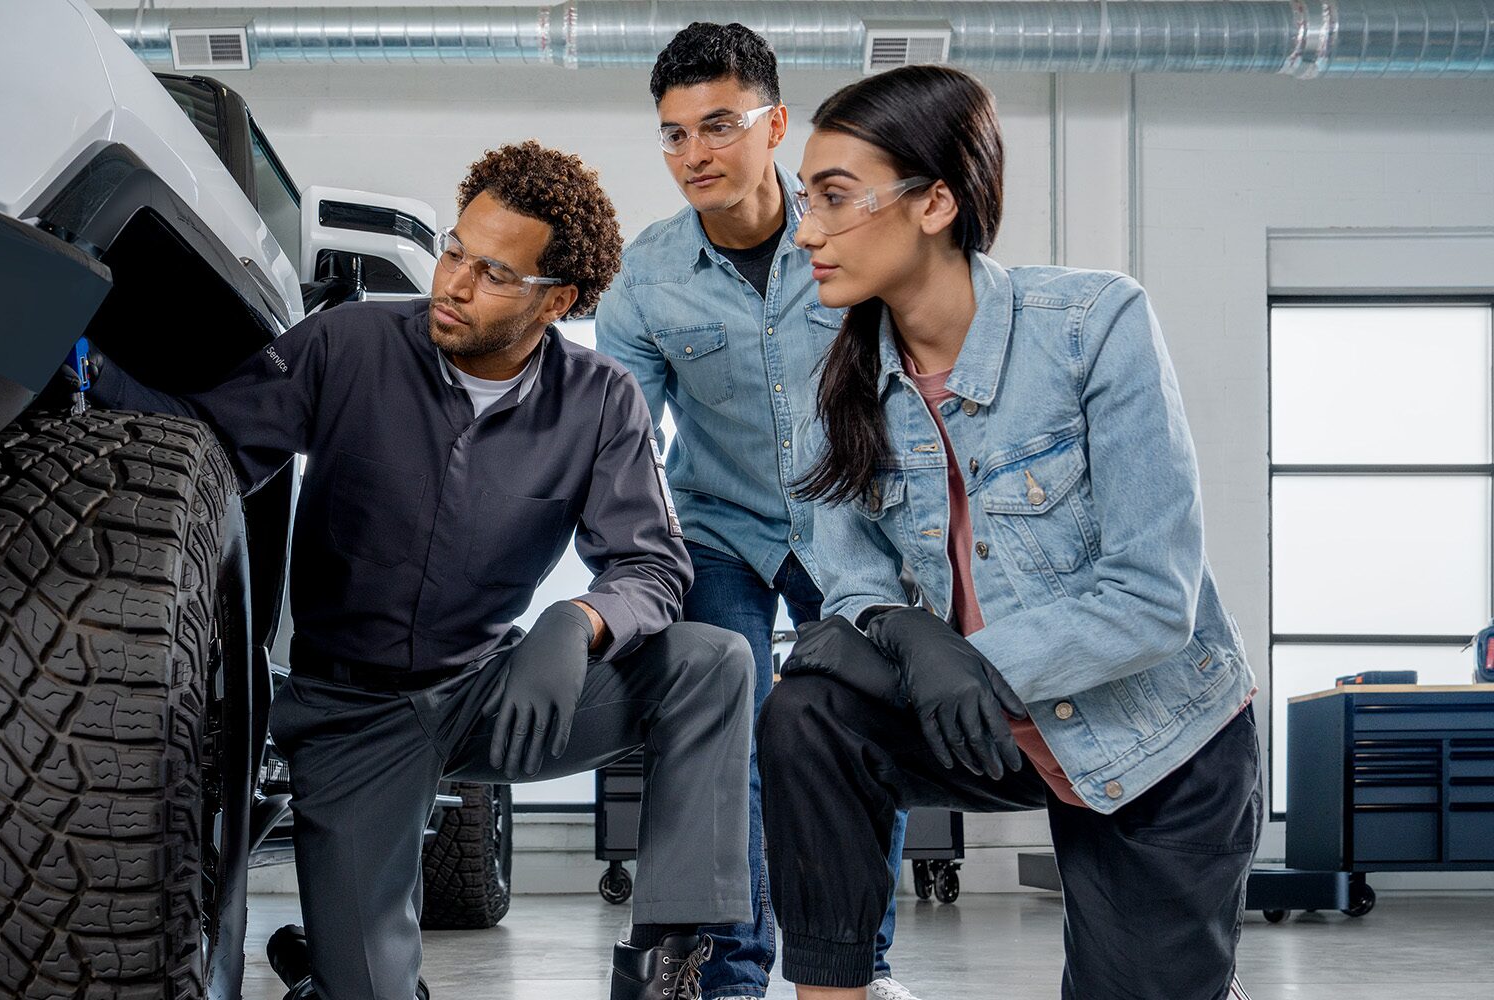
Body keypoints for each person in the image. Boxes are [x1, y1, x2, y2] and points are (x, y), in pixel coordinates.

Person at [87, 141, 754, 1000]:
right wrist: (87, 365)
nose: (455, 284)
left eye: (494, 274)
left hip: (496, 697)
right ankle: (320, 972)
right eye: (454, 252)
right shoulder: (347, 344)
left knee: (713, 665)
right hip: (352, 717)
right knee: (368, 990)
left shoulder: (600, 401)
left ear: (556, 300)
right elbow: (206, 446)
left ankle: (672, 976)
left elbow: (653, 565)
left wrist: (576, 624)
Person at [758, 65, 1262, 1000]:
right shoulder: (831, 374)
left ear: (935, 203)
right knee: (811, 714)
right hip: (982, 724)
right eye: (804, 200)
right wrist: (908, 634)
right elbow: (850, 574)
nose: (807, 230)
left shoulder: (1093, 323)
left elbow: (1156, 597)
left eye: (833, 198)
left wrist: (977, 662)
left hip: (1150, 736)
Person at [595, 23, 915, 1000]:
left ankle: (856, 965)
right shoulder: (644, 277)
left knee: (855, 731)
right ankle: (727, 970)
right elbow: (615, 443)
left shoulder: (857, 239)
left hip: (848, 525)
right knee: (717, 738)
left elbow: (918, 383)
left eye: (718, 125)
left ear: (775, 124)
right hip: (718, 530)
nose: (693, 154)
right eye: (673, 134)